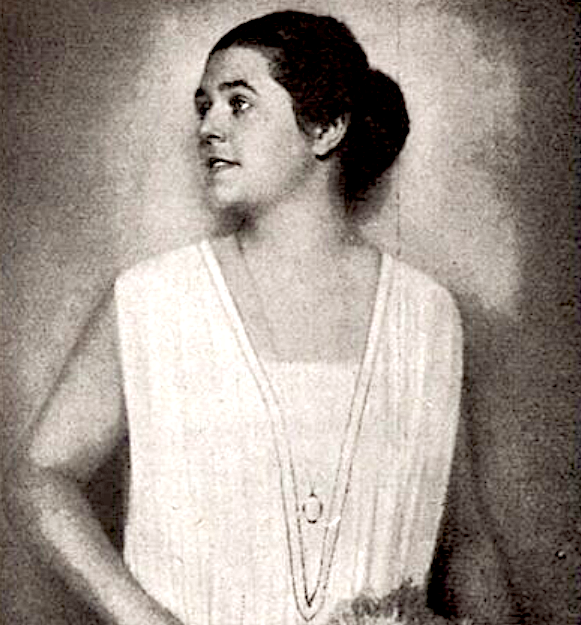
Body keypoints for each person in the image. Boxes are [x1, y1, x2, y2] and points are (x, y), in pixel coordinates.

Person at [3, 10, 513, 625]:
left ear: (325, 128)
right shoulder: (151, 300)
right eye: (204, 107)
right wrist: (143, 618)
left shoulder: (425, 313)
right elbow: (38, 477)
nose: (208, 127)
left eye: (238, 103)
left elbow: (465, 539)